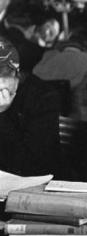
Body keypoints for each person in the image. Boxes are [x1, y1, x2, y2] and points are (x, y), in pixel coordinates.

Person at [0, 36, 61, 176]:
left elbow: (26, 162)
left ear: (18, 75)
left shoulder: (43, 98)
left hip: (34, 182)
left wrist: (1, 115)